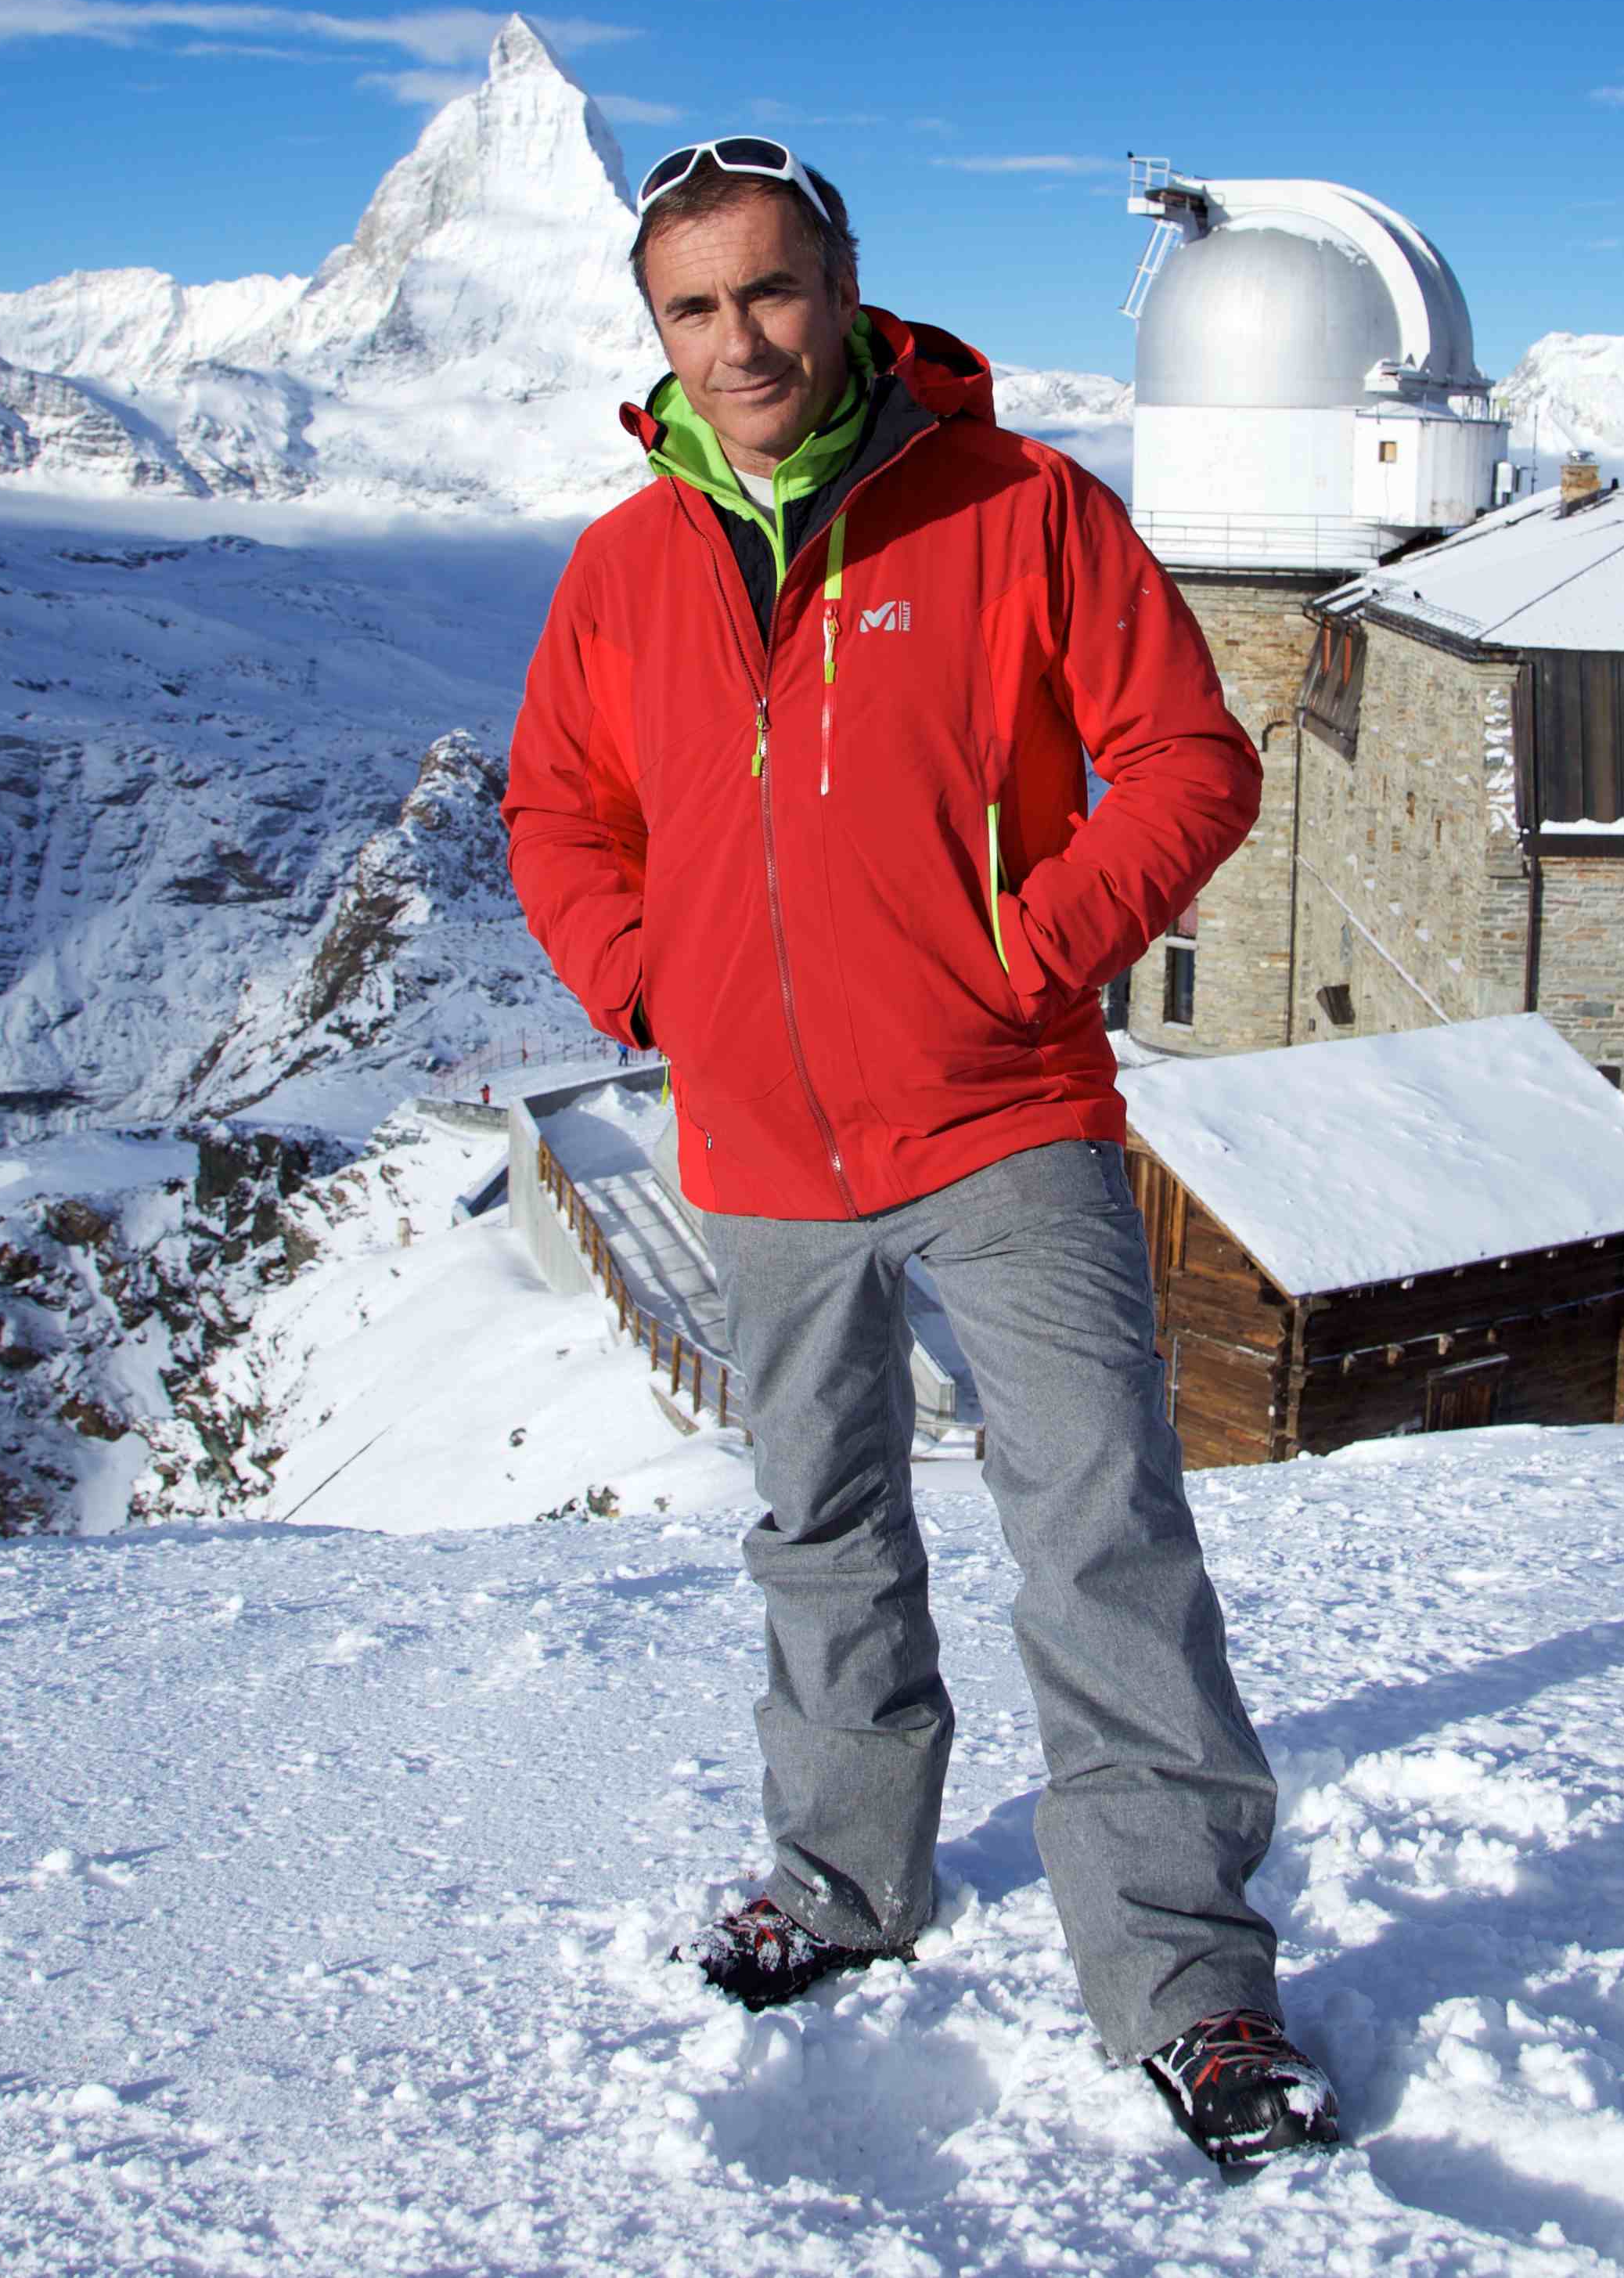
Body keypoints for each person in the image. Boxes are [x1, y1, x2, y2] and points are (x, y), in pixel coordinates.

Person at [501, 135, 1344, 2175]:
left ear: (847, 288)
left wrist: (1027, 949)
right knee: (820, 1528)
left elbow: (1187, 760)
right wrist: (653, 984)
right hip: (762, 1141)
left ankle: (1190, 1986)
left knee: (1097, 1534)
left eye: (770, 291)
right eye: (693, 308)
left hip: (1002, 1116)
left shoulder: (1017, 505)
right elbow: (555, 812)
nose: (740, 338)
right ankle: (845, 1878)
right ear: (658, 336)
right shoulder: (626, 564)